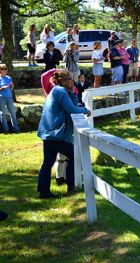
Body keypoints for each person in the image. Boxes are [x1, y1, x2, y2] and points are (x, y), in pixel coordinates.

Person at [37, 70, 91, 199]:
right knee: (75, 157)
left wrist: (72, 93)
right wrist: (85, 110)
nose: (72, 81)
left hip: (49, 134)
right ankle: (71, 185)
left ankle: (43, 191)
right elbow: (72, 109)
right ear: (63, 81)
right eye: (70, 80)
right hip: (57, 134)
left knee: (48, 163)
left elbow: (72, 103)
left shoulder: (57, 91)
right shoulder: (60, 91)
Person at [0, 64, 20, 133]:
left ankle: (16, 129)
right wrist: (2, 88)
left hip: (9, 97)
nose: (6, 70)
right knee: (3, 113)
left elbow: (11, 87)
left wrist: (12, 86)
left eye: (6, 69)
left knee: (13, 113)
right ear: (0, 70)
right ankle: (6, 130)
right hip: (1, 98)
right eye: (4, 69)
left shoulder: (9, 78)